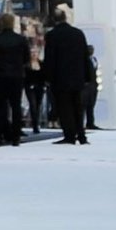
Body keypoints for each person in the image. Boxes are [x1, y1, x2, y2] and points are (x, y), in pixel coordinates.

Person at [43, 8, 90, 144]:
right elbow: (85, 56)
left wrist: (48, 77)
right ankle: (81, 134)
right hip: (77, 76)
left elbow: (50, 58)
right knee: (78, 106)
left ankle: (69, 135)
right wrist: (87, 76)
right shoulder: (78, 33)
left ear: (54, 20)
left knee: (64, 107)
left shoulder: (52, 35)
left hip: (60, 77)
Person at [0, 15, 30, 146]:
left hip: (0, 75)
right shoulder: (21, 39)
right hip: (16, 76)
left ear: (1, 24)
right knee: (16, 106)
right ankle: (16, 136)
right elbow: (26, 58)